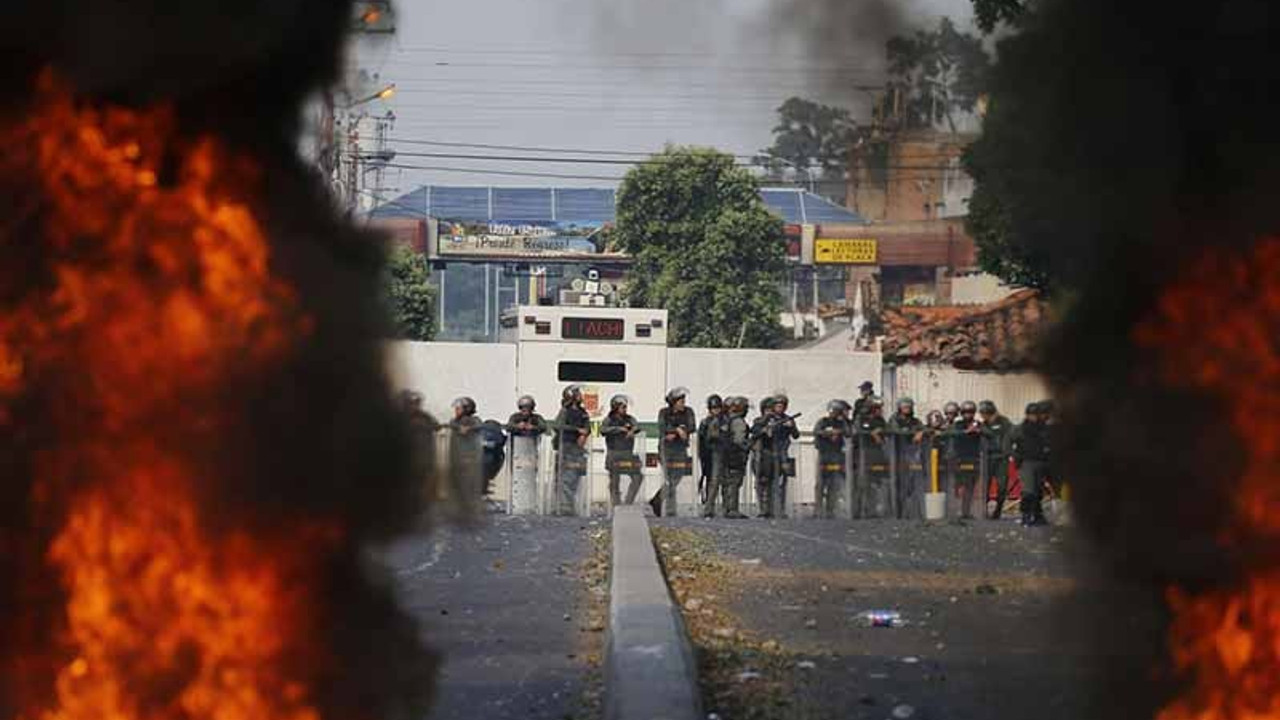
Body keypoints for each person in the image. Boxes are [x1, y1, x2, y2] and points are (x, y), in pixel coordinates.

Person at [650, 387, 696, 517]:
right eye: (680, 401)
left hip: (681, 449)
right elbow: (662, 427)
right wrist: (677, 430)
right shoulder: (664, 412)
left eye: (683, 401)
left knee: (677, 477)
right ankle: (670, 510)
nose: (683, 403)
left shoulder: (688, 412)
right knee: (669, 479)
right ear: (673, 402)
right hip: (666, 449)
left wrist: (681, 430)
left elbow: (692, 426)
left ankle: (657, 499)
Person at [753, 394, 799, 518]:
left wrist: (791, 426)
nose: (780, 408)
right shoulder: (768, 418)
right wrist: (766, 428)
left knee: (781, 483)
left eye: (782, 406)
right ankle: (764, 509)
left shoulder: (788, 419)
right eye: (777, 406)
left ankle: (779, 509)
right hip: (767, 453)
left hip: (782, 453)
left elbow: (796, 435)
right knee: (765, 481)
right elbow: (756, 430)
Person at [552, 385, 591, 516]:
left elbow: (587, 427)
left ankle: (571, 504)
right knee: (565, 477)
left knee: (575, 475)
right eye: (578, 393)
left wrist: (584, 435)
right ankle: (563, 506)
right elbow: (558, 426)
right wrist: (576, 430)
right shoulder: (565, 411)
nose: (581, 395)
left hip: (578, 448)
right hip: (566, 445)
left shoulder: (582, 412)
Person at [1012, 401, 1052, 526]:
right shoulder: (1020, 428)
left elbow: (1049, 443)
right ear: (1027, 415)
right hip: (1026, 463)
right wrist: (1015, 456)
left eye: (1036, 414)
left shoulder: (1044, 428)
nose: (1034, 417)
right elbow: (1008, 442)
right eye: (1032, 414)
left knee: (1039, 491)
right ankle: (1026, 515)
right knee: (1029, 491)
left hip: (1041, 462)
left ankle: (1038, 515)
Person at [601, 395, 643, 507]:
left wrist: (632, 430)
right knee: (614, 480)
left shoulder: (629, 419)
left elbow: (637, 426)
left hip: (628, 453)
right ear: (615, 408)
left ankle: (628, 502)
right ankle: (616, 504)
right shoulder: (609, 420)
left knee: (638, 477)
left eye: (625, 407)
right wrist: (619, 429)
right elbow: (603, 430)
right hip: (614, 453)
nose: (625, 409)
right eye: (622, 407)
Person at [888, 397, 926, 519]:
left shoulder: (915, 421)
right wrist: (908, 432)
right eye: (905, 407)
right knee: (900, 485)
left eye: (909, 407)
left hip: (912, 456)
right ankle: (898, 514)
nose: (907, 409)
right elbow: (894, 430)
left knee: (913, 484)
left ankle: (913, 513)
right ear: (900, 408)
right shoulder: (895, 420)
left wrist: (921, 433)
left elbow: (924, 428)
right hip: (897, 455)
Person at [813, 400, 852, 519]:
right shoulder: (823, 421)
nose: (835, 413)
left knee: (834, 483)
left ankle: (830, 508)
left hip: (837, 454)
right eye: (834, 411)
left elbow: (849, 432)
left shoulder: (841, 423)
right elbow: (817, 432)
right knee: (821, 483)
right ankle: (818, 509)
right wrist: (829, 433)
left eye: (838, 411)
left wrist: (841, 427)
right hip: (825, 454)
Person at [978, 400, 1015, 520]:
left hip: (1001, 458)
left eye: (984, 413)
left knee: (1002, 485)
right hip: (988, 458)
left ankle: (998, 510)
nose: (983, 416)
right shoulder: (983, 424)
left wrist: (1008, 452)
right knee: (985, 485)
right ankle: (983, 510)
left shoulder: (1004, 422)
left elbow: (1010, 436)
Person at [855, 396, 890, 517]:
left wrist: (880, 432)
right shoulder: (861, 418)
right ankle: (861, 510)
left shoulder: (880, 420)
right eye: (877, 408)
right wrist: (871, 433)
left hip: (878, 452)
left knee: (880, 482)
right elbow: (857, 431)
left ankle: (878, 509)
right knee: (863, 483)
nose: (879, 411)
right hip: (864, 453)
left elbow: (887, 430)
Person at [720, 396, 752, 519]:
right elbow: (739, 440)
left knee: (728, 482)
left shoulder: (726, 420)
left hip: (726, 455)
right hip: (736, 455)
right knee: (734, 482)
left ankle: (727, 508)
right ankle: (732, 509)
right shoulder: (738, 422)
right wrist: (749, 444)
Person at [951, 400, 983, 520]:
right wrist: (966, 432)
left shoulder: (978, 424)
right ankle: (952, 510)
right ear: (962, 413)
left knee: (970, 486)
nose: (968, 415)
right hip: (959, 458)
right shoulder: (958, 424)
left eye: (970, 412)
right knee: (956, 485)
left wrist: (980, 431)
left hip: (973, 459)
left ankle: (966, 512)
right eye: (965, 412)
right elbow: (952, 433)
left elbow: (988, 433)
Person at [449, 396, 485, 495]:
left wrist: (469, 428)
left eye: (458, 409)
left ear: (466, 409)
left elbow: (479, 425)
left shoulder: (474, 420)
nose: (456, 411)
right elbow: (452, 424)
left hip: (470, 455)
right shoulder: (456, 421)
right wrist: (459, 427)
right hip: (458, 455)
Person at [697, 395, 725, 513]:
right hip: (709, 454)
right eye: (713, 408)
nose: (716, 411)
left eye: (717, 408)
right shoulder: (705, 422)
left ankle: (718, 506)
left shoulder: (725, 421)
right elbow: (700, 439)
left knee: (719, 481)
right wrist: (701, 455)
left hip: (721, 453)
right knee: (711, 480)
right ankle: (709, 507)